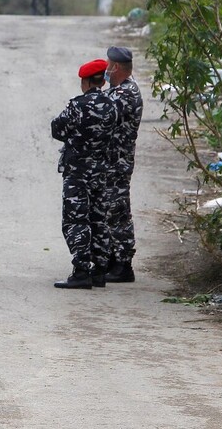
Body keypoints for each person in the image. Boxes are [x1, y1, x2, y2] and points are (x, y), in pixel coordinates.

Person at [51, 59, 120, 289]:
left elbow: (57, 129)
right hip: (101, 172)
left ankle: (81, 271)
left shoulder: (78, 105)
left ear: (87, 81)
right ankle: (99, 271)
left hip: (78, 173)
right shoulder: (112, 105)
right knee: (99, 219)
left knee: (76, 220)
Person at [104, 46, 143, 283]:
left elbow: (102, 115)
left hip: (117, 164)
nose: (105, 70)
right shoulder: (120, 89)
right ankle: (112, 259)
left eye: (108, 65)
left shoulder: (125, 93)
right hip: (113, 162)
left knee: (117, 212)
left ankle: (123, 264)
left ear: (116, 67)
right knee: (110, 210)